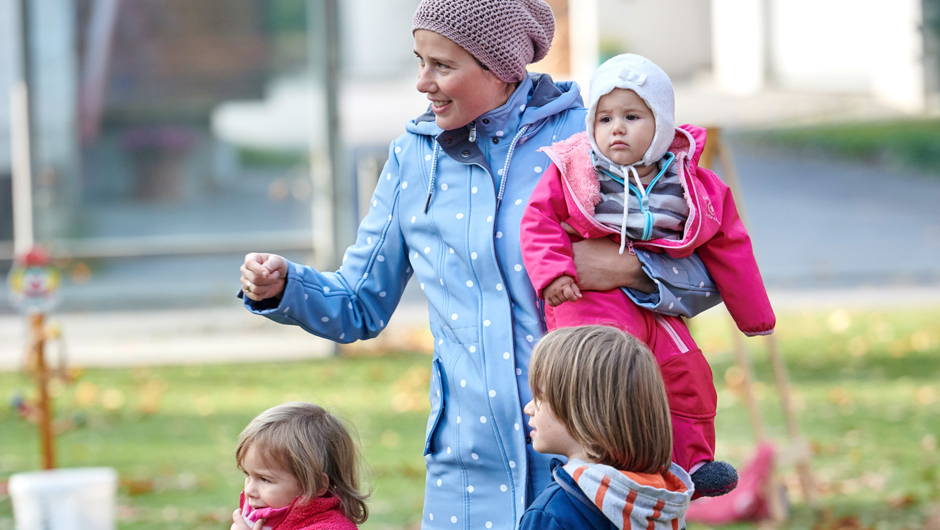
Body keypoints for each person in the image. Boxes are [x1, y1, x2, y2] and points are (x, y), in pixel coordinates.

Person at [239, 2, 719, 527]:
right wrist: (284, 287)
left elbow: (709, 272)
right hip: (467, 466)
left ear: (501, 67)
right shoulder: (411, 159)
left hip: (591, 459)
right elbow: (358, 305)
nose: (423, 82)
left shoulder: (591, 135)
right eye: (419, 60)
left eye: (442, 66)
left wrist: (630, 270)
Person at [520, 53, 776, 496]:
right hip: (590, 300)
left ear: (662, 123)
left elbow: (729, 243)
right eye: (604, 118)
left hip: (656, 306)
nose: (616, 128)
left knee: (687, 371)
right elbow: (538, 221)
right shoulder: (576, 170)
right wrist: (553, 273)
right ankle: (608, 460)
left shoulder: (689, 181)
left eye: (632, 116)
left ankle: (692, 465)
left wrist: (754, 314)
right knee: (607, 375)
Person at [519, 325, 694, 529]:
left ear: (585, 412)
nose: (528, 408)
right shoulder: (659, 501)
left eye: (540, 397)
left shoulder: (552, 514)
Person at [230, 402, 368, 530]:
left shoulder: (331, 527)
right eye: (248, 474)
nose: (248, 491)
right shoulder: (261, 516)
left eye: (264, 479)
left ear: (316, 485)